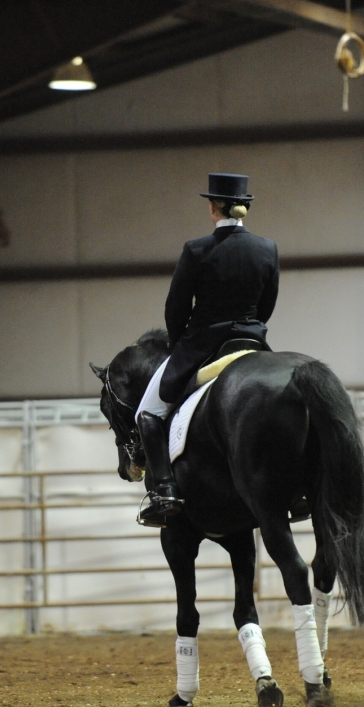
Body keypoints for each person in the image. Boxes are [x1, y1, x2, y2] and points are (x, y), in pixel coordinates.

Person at [135, 173, 280, 525]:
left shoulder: (197, 250)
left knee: (148, 413)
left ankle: (165, 490)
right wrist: (250, 328)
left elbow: (176, 307)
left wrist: (179, 341)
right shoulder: (267, 248)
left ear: (213, 208)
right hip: (252, 340)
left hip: (202, 344)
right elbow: (268, 303)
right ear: (244, 207)